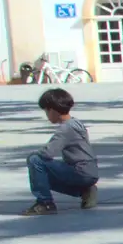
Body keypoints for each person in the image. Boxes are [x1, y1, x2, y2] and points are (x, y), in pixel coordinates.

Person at [23, 87, 99, 216]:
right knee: (42, 177)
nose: (46, 115)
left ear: (52, 110)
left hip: (80, 171)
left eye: (46, 111)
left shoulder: (65, 129)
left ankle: (45, 203)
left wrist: (32, 155)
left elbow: (47, 153)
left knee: (35, 160)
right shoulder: (76, 123)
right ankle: (85, 191)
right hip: (89, 172)